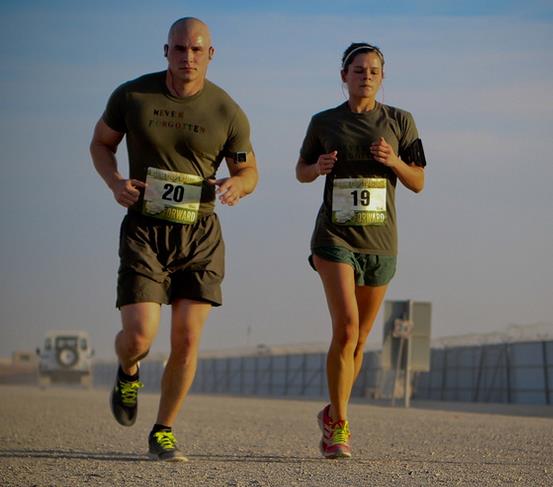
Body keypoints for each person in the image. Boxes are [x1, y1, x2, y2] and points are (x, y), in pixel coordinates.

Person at [90, 17, 258, 462]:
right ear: (166, 51)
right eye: (180, 49)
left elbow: (249, 170)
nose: (188, 57)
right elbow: (101, 144)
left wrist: (239, 185)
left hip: (200, 234)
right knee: (140, 337)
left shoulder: (227, 111)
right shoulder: (133, 96)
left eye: (197, 50)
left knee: (186, 339)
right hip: (145, 229)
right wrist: (115, 183)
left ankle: (163, 429)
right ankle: (128, 370)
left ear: (210, 54)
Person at [295, 43, 426, 459]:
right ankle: (340, 427)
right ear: (343, 76)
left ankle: (334, 411)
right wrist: (317, 169)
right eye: (357, 70)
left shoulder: (401, 122)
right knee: (347, 328)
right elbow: (301, 171)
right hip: (334, 237)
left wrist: (394, 163)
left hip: (380, 241)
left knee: (361, 339)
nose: (365, 76)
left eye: (372, 71)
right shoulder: (323, 122)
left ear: (382, 78)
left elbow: (419, 181)